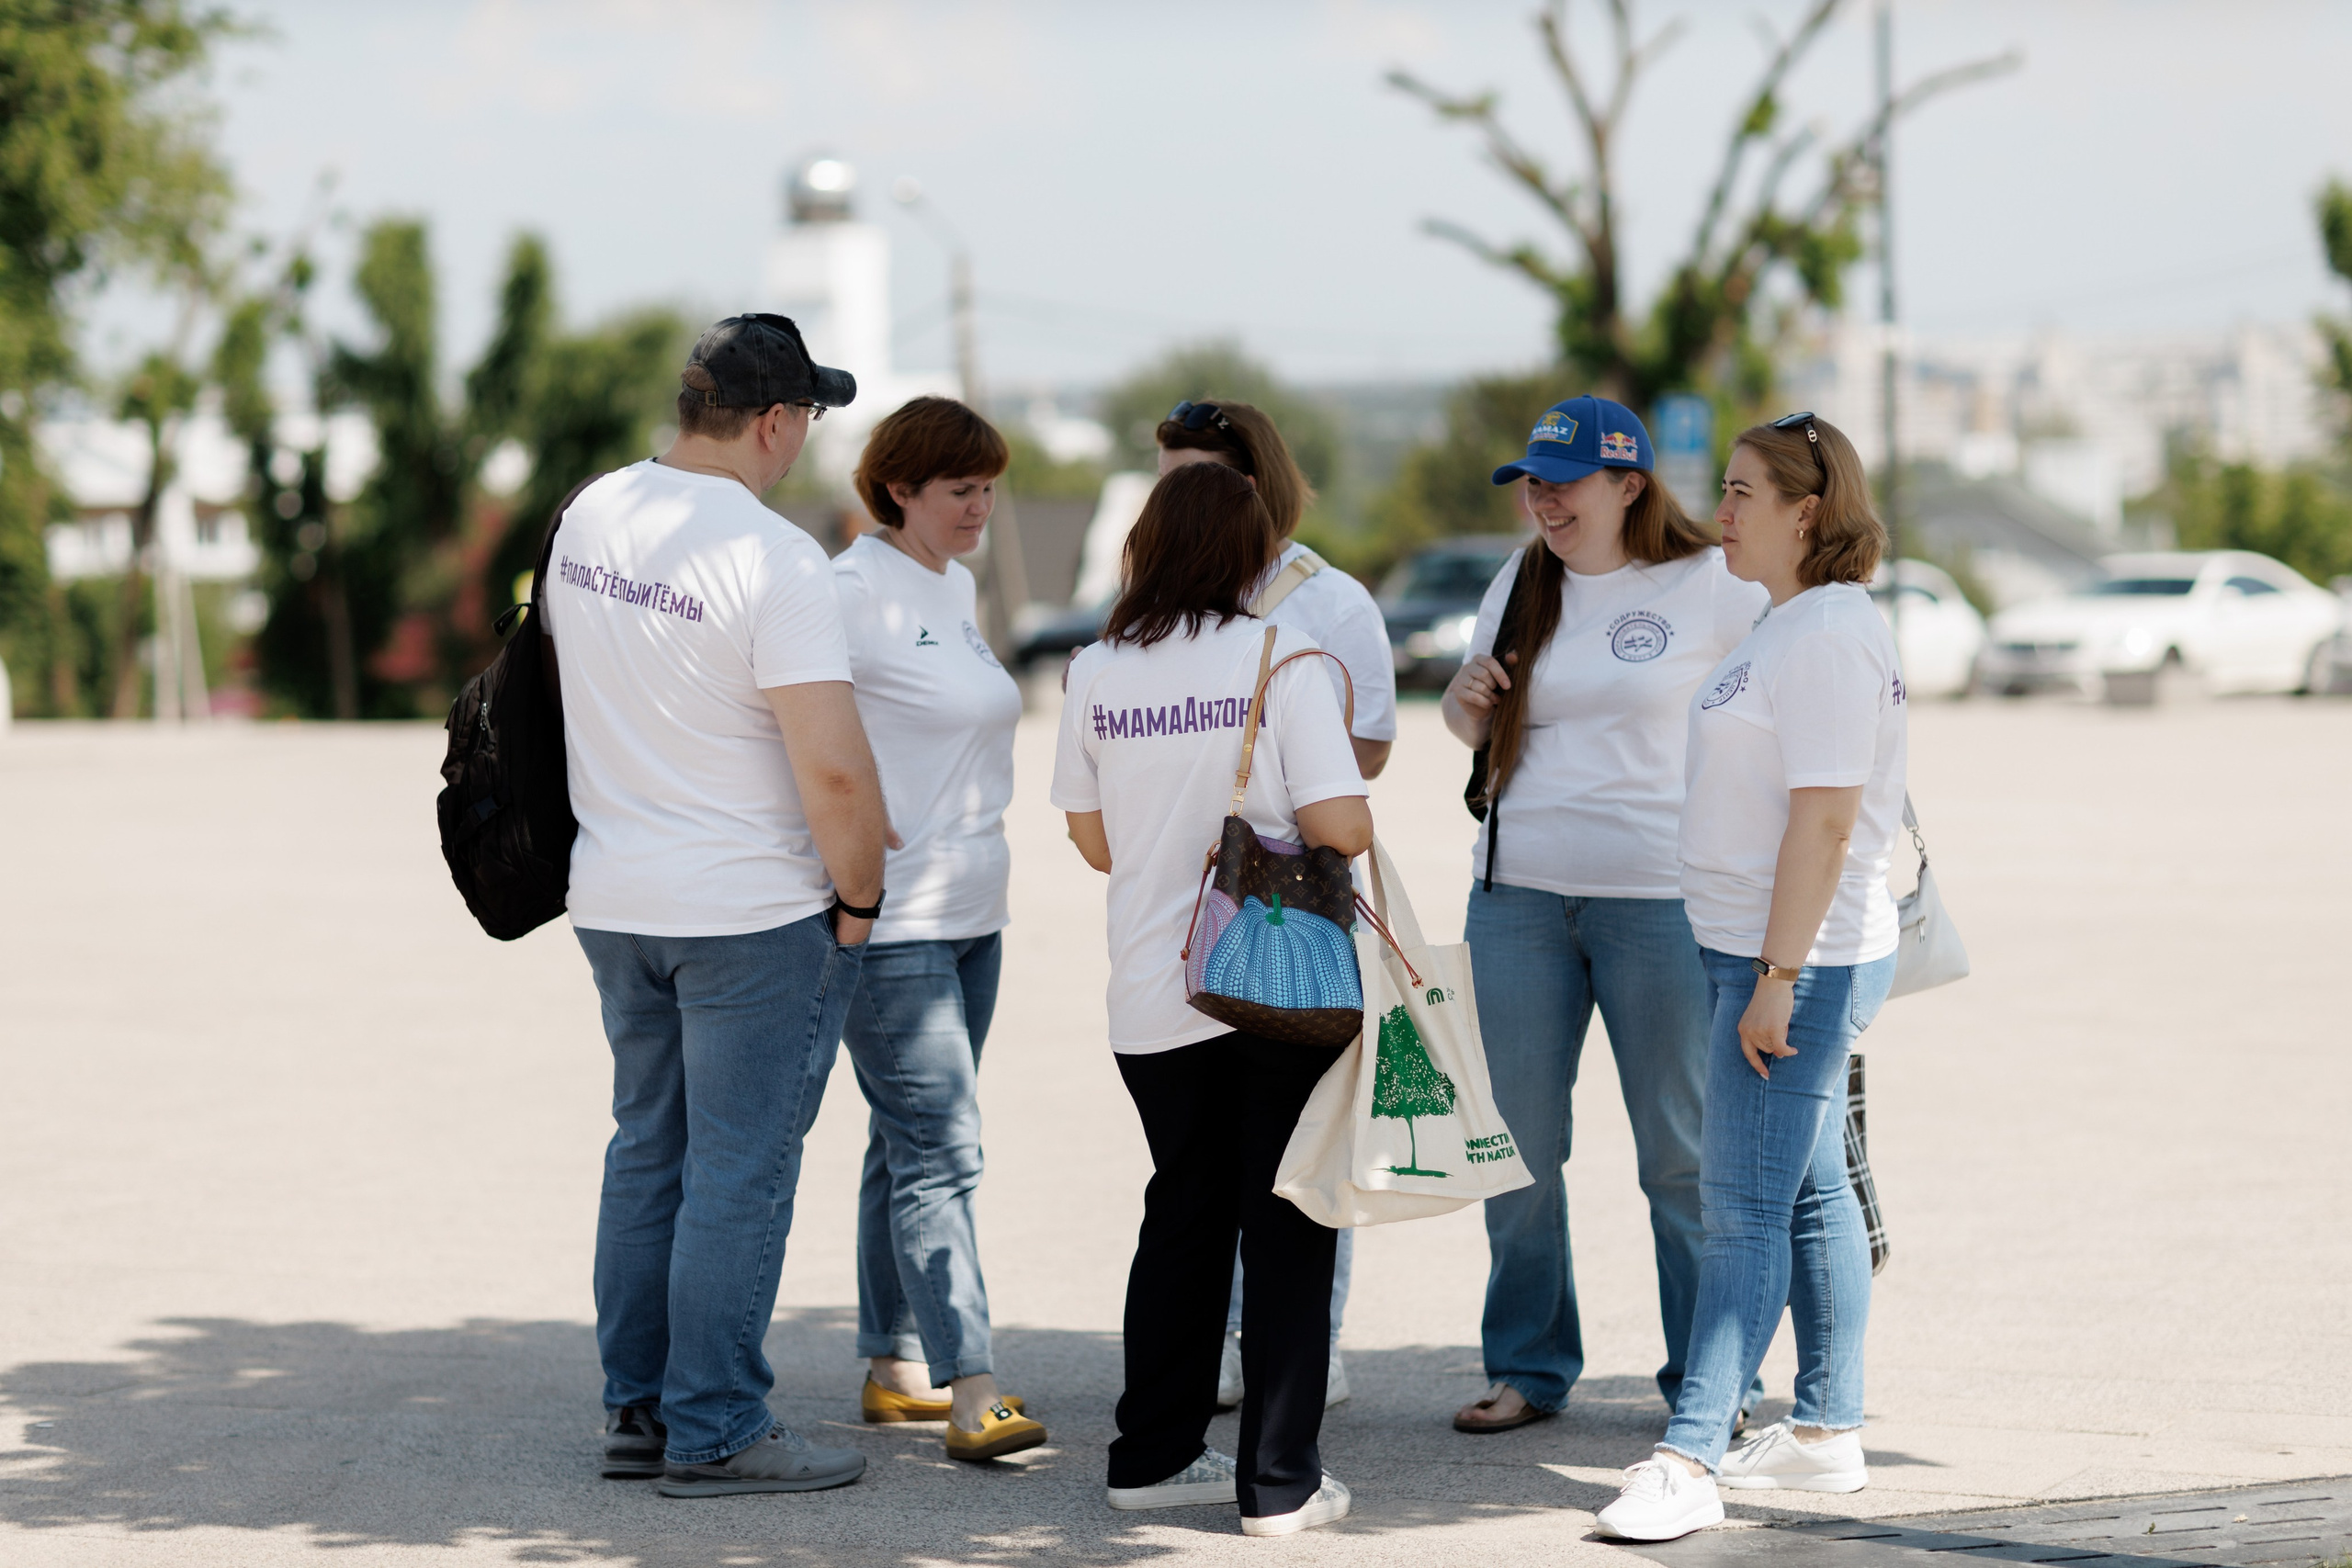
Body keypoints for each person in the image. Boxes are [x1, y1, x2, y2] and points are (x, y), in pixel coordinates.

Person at [548, 314, 888, 1498]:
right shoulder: (774, 556)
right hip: (746, 910)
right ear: (773, 422)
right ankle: (717, 1430)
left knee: (649, 1153)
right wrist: (860, 899)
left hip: (616, 895)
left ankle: (638, 1412)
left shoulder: (592, 512)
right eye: (806, 420)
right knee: (739, 1169)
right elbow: (836, 769)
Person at [1595, 412, 1906, 1543]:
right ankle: (1824, 1433)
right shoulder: (1791, 623)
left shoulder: (1823, 633)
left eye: (1738, 495)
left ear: (1805, 512)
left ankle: (1689, 1457)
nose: (1716, 513)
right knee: (1809, 1188)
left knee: (1738, 1213)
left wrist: (1777, 976)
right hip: (1761, 950)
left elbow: (1824, 822)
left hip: (1798, 960)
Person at [1051, 460, 1371, 1537]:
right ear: (1250, 557)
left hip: (1154, 985)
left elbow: (1092, 841)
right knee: (1285, 1221)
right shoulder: (1286, 661)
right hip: (1271, 983)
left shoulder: (1094, 669)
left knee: (1181, 1213)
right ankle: (1278, 1484)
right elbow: (1341, 826)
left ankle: (1150, 1456)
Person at [1439, 396, 1769, 1435]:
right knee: (1517, 1149)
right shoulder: (1521, 580)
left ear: (1629, 484)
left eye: (1563, 479)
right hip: (1518, 901)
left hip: (1661, 905)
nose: (1542, 498)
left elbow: (1778, 703)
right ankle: (1529, 1364)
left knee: (1678, 1155)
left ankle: (1710, 1383)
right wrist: (1467, 701)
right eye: (1532, 479)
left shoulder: (1707, 585)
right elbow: (1465, 724)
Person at [1152, 396, 1390, 1411]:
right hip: (1186, 896)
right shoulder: (1159, 589)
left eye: (1196, 476)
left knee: (1300, 1139)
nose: (1179, 497)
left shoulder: (1328, 602)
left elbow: (1369, 746)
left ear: (1253, 484)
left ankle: (1298, 1348)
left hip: (1291, 895)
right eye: (1166, 478)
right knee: (1203, 1156)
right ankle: (1213, 1348)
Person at [831, 396, 1045, 1461]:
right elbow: (789, 731)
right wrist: (852, 842)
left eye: (989, 489)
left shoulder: (954, 586)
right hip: (895, 922)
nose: (980, 508)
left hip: (976, 916)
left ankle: (892, 1362)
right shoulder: (850, 592)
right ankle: (972, 1387)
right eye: (960, 490)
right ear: (899, 488)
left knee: (903, 1144)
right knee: (942, 1153)